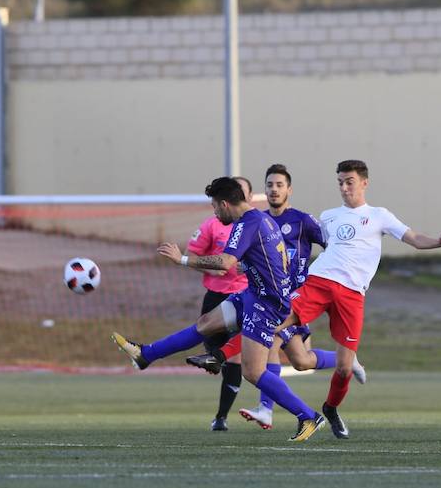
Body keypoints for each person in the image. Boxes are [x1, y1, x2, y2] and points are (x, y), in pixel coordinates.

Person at [111, 176, 325, 442]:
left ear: (225, 203)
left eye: (214, 206)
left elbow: (225, 263)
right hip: (255, 295)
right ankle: (146, 354)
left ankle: (308, 415)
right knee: (205, 324)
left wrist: (183, 259)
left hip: (267, 305)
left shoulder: (248, 223)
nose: (214, 212)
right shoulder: (259, 219)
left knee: (253, 371)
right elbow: (253, 261)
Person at [274, 159, 441, 439]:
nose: (344, 188)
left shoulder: (380, 215)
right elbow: (308, 243)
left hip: (352, 294)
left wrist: (438, 242)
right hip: (320, 281)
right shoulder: (329, 216)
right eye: (340, 183)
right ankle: (233, 346)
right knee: (275, 320)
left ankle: (331, 408)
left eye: (349, 182)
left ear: (364, 183)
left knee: (344, 368)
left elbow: (414, 238)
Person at [187, 164, 366, 430]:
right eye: (269, 184)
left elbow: (334, 246)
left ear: (289, 190)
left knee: (290, 355)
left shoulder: (302, 220)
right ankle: (271, 406)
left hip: (293, 298)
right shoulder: (259, 220)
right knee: (291, 356)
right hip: (269, 296)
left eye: (279, 184)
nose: (273, 189)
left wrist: (323, 277)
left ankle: (269, 404)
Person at [183, 176, 252, 431]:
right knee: (212, 346)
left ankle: (221, 417)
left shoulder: (254, 225)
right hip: (216, 296)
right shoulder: (213, 225)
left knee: (235, 358)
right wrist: (212, 270)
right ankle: (214, 357)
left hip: (245, 297)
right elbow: (194, 255)